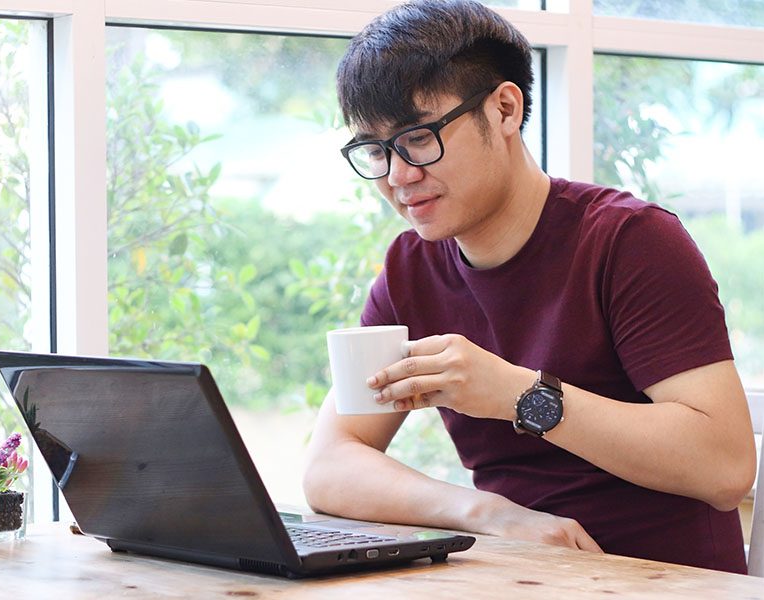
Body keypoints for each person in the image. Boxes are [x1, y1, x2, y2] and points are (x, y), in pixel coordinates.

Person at [302, 0, 756, 574]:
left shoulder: (630, 241)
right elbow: (330, 465)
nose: (397, 176)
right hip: (516, 573)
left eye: (417, 138)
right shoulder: (409, 270)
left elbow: (725, 468)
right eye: (375, 149)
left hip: (666, 582)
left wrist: (519, 394)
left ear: (505, 109)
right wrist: (488, 514)